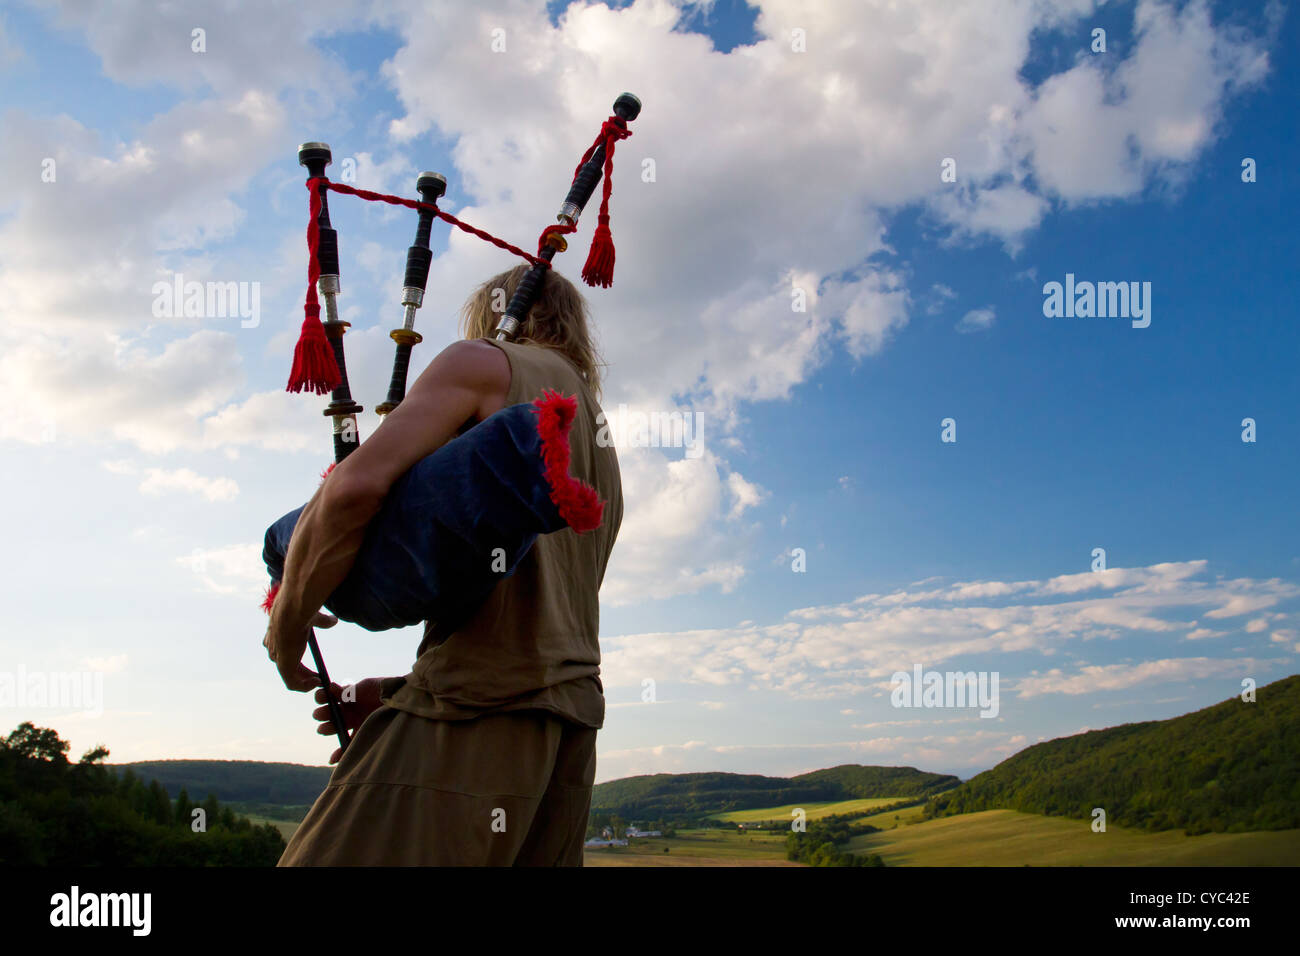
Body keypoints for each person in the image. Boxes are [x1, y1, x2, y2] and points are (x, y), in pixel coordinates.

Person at [262, 263, 622, 865]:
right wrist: (400, 690)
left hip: (470, 714)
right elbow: (528, 617)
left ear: (494, 315)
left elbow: (351, 492)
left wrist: (287, 624)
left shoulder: (482, 363)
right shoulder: (599, 439)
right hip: (568, 738)